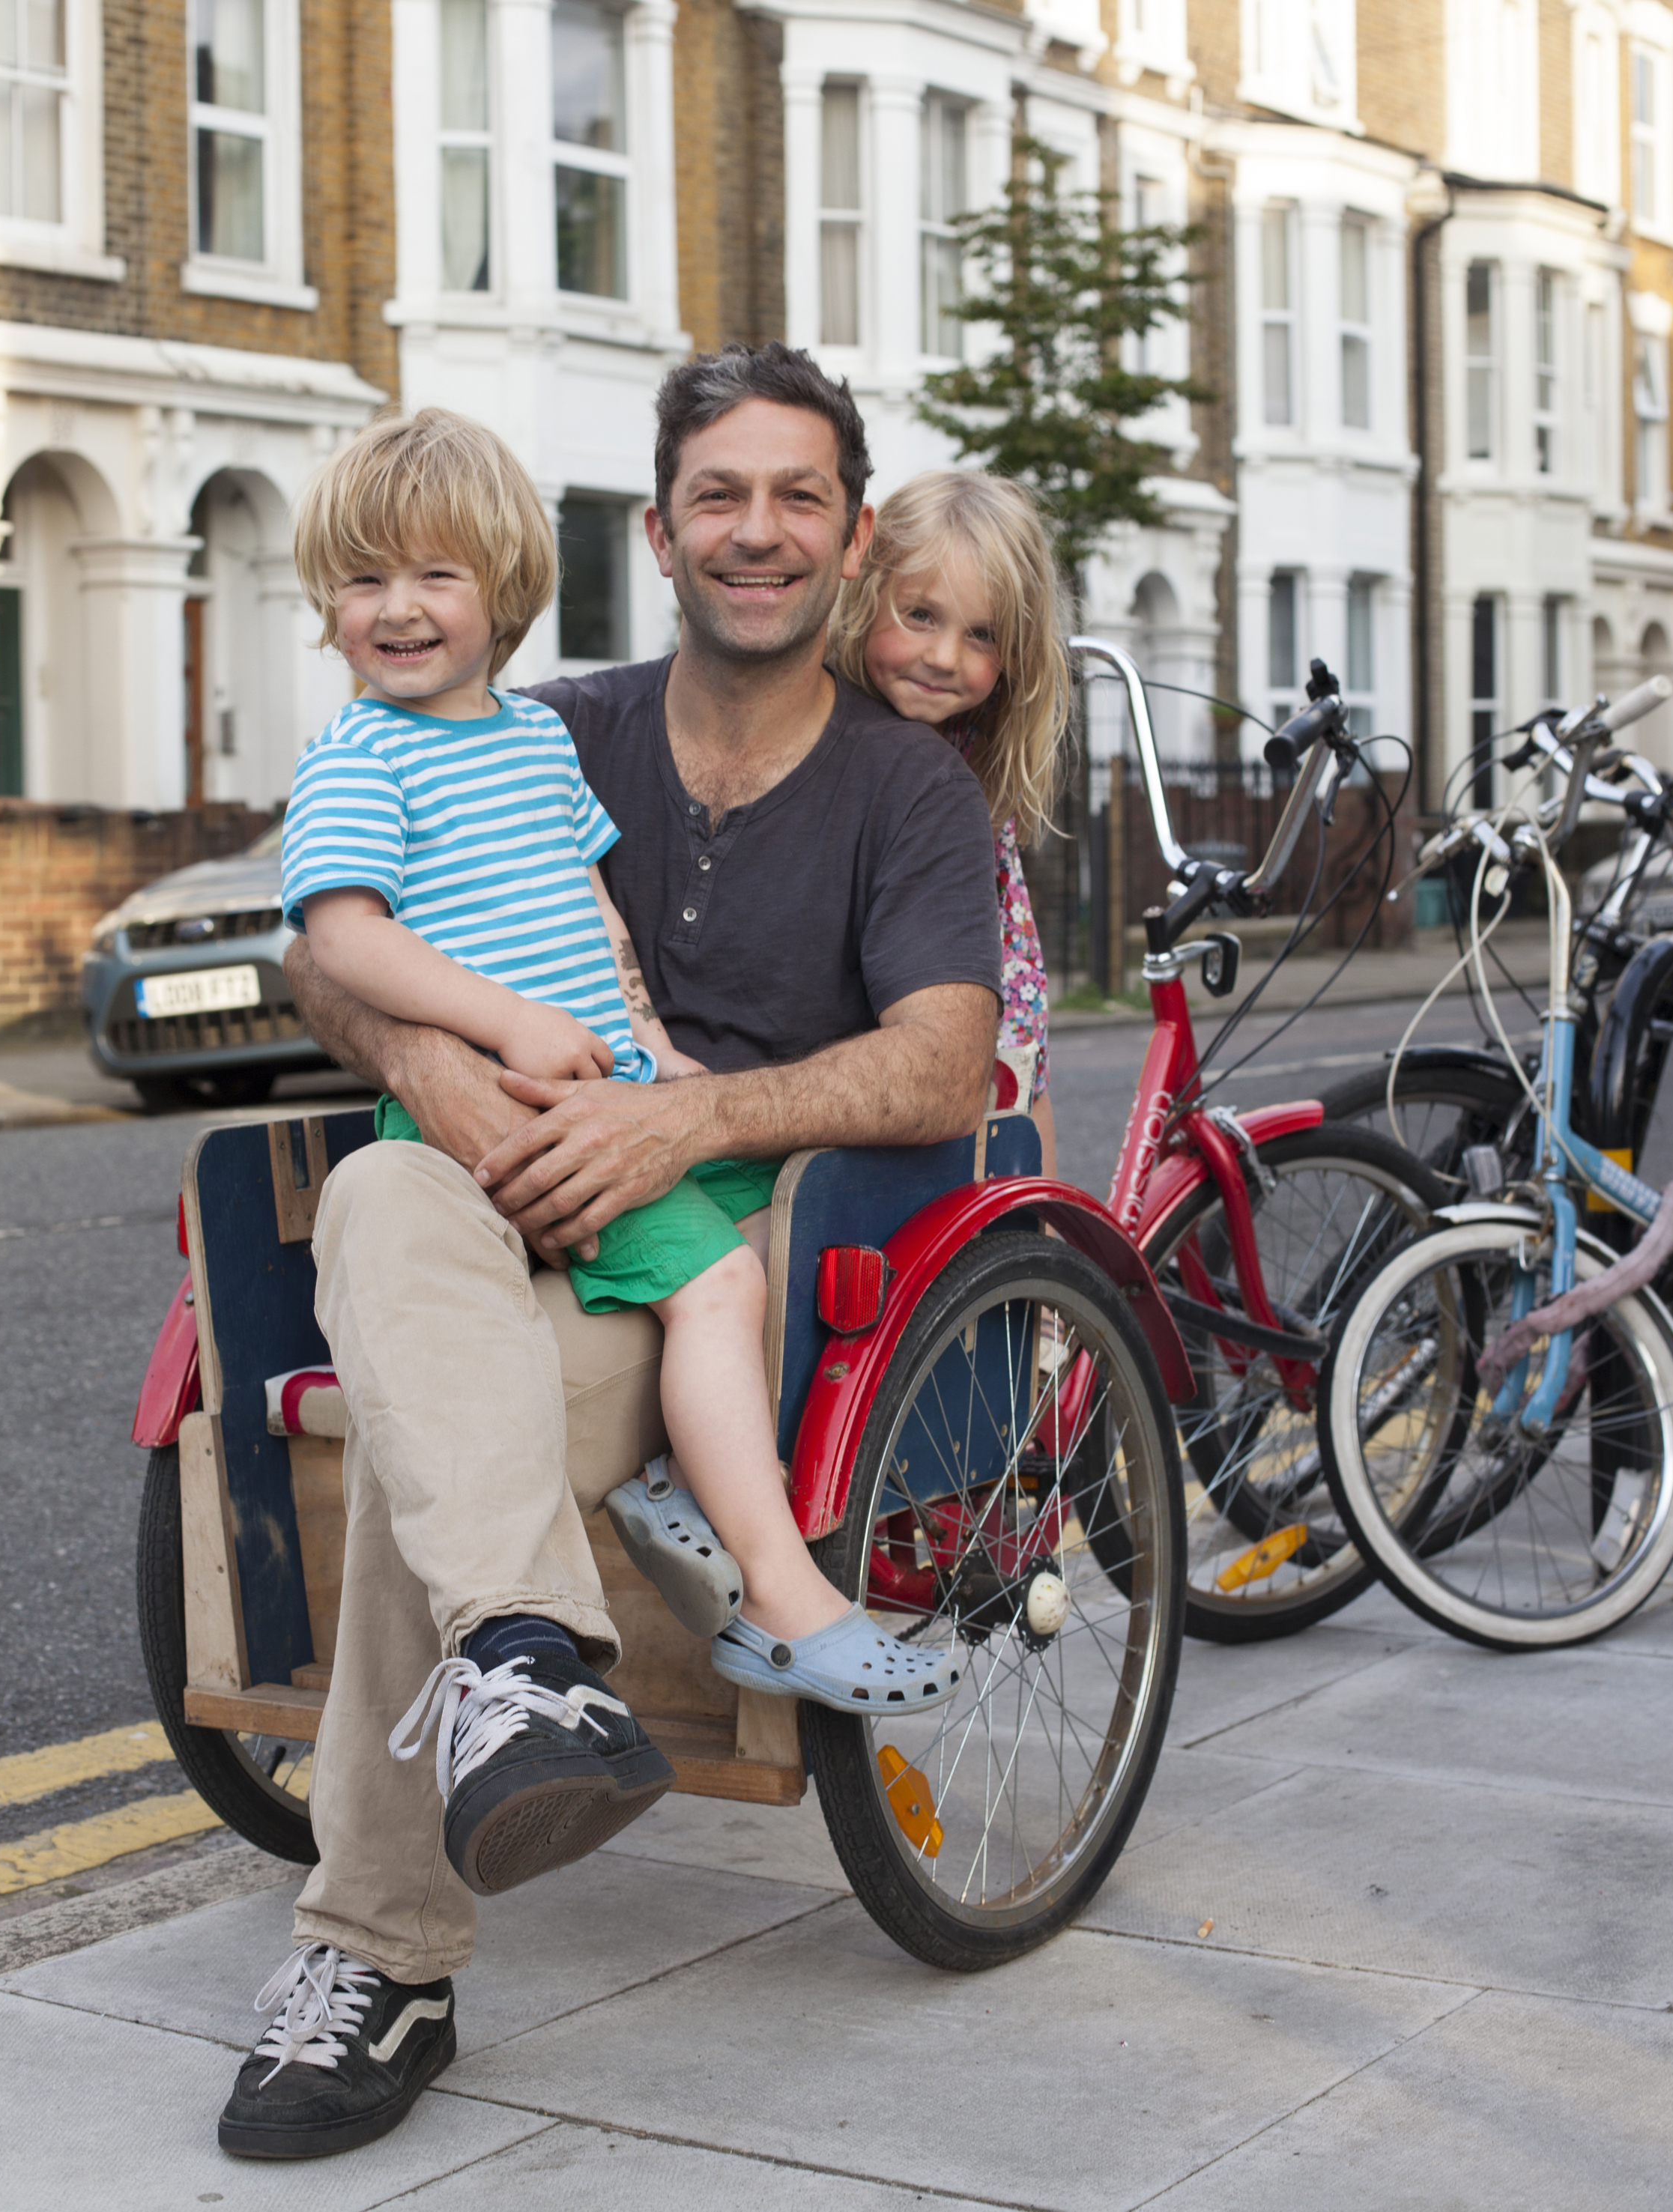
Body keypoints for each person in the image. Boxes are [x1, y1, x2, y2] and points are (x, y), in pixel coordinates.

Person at [217, 344, 1003, 2161]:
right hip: (488, 1209)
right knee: (373, 1196)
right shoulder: (538, 722)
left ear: (849, 531)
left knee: (445, 1440)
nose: (757, 529)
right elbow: (327, 950)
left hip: (723, 1263)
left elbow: (948, 1057)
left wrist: (688, 1117)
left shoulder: (906, 791)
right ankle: (535, 1661)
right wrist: (439, 1069)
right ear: (657, 530)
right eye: (717, 494)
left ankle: (376, 1955)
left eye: (796, 494)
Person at [281, 407, 957, 1713]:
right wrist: (488, 1030)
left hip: (612, 1105)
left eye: (435, 575)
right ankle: (774, 1591)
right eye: (363, 579)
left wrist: (642, 1035)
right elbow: (337, 938)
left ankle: (643, 1570)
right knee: (705, 1291)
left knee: (705, 1290)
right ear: (658, 532)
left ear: (507, 592)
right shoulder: (362, 751)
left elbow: (582, 902)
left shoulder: (536, 741)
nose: (399, 608)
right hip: (496, 1120)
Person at [829, 470, 1068, 1173]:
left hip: (977, 996)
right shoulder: (822, 722)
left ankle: (1044, 1251)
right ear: (868, 595)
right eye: (922, 616)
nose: (943, 658)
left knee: (1017, 1076)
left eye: (982, 634)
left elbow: (1021, 1036)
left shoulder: (971, 756)